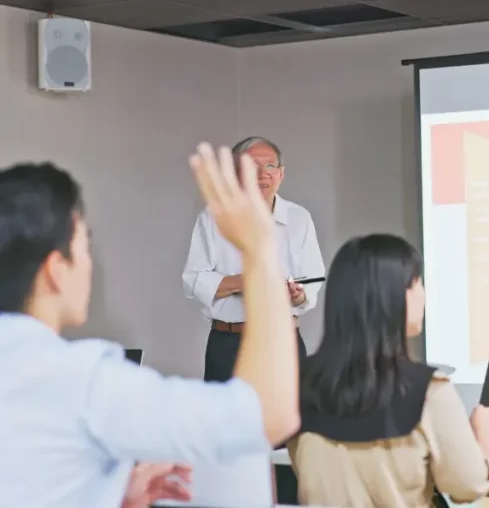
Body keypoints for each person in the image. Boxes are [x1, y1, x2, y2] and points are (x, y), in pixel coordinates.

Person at [0, 145, 300, 507]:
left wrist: (108, 495)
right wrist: (258, 248)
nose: (91, 265)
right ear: (56, 271)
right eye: (84, 247)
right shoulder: (84, 380)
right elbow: (266, 417)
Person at [287, 234, 489, 508]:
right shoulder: (428, 390)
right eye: (418, 284)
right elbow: (467, 487)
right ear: (394, 297)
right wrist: (482, 436)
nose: (423, 295)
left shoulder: (297, 384)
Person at [183, 136, 325, 382]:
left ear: (281, 174)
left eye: (270, 166)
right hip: (230, 343)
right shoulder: (213, 217)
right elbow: (194, 280)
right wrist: (249, 281)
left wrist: (297, 294)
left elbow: (312, 283)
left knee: (292, 420)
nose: (262, 174)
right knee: (227, 420)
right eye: (251, 167)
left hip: (284, 341)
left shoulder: (299, 218)